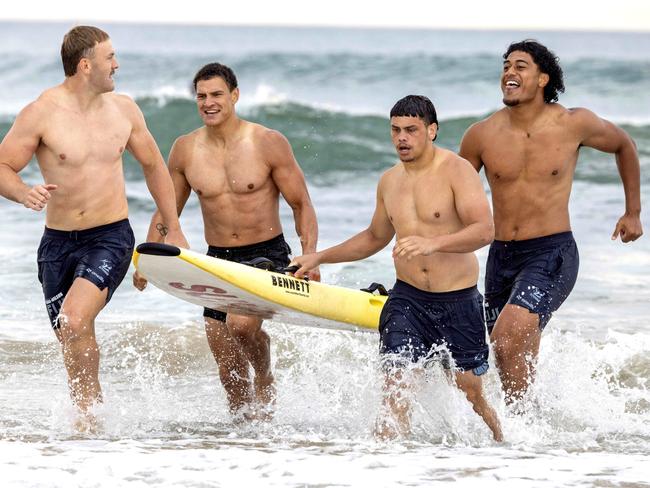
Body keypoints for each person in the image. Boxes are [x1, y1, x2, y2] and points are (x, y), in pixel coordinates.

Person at [0, 26, 188, 426]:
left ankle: (88, 418)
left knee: (74, 318)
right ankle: (89, 430)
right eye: (110, 57)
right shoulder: (41, 113)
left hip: (111, 237)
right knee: (69, 334)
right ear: (85, 65)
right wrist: (22, 193)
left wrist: (171, 227)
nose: (116, 64)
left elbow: (155, 166)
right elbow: (2, 167)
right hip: (56, 244)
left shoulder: (124, 110)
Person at [291, 95, 502, 441]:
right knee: (395, 388)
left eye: (411, 130)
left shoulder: (456, 171)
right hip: (408, 302)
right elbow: (375, 236)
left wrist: (432, 243)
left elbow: (484, 230)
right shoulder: (389, 181)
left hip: (458, 301)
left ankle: (503, 445)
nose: (402, 138)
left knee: (470, 389)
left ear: (432, 131)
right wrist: (319, 257)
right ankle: (390, 467)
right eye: (395, 130)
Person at [459, 40, 643, 405]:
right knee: (510, 357)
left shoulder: (574, 123)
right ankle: (529, 437)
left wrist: (633, 211)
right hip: (501, 258)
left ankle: (524, 433)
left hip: (551, 253)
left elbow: (625, 145)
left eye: (520, 66)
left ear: (543, 78)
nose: (509, 72)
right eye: (506, 65)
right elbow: (453, 193)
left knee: (506, 337)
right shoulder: (480, 135)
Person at [133, 62, 319, 419]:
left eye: (216, 94)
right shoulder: (185, 149)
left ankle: (265, 375)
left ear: (234, 95)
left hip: (267, 254)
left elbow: (301, 204)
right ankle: (241, 439)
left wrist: (309, 256)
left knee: (241, 325)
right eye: (201, 96)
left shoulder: (267, 142)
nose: (208, 102)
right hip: (218, 259)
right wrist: (147, 259)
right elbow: (167, 210)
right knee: (227, 366)